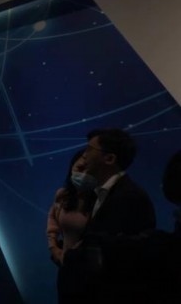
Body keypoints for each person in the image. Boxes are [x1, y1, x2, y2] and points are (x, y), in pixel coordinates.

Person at [62, 128, 156, 302]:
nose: (84, 155)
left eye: (89, 150)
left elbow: (126, 258)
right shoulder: (100, 194)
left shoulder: (130, 197)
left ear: (110, 159)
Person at [47, 150, 96, 303]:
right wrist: (53, 247)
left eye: (90, 171)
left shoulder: (101, 200)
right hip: (65, 269)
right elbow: (52, 219)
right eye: (80, 168)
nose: (84, 174)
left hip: (92, 273)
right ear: (71, 168)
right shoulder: (63, 195)